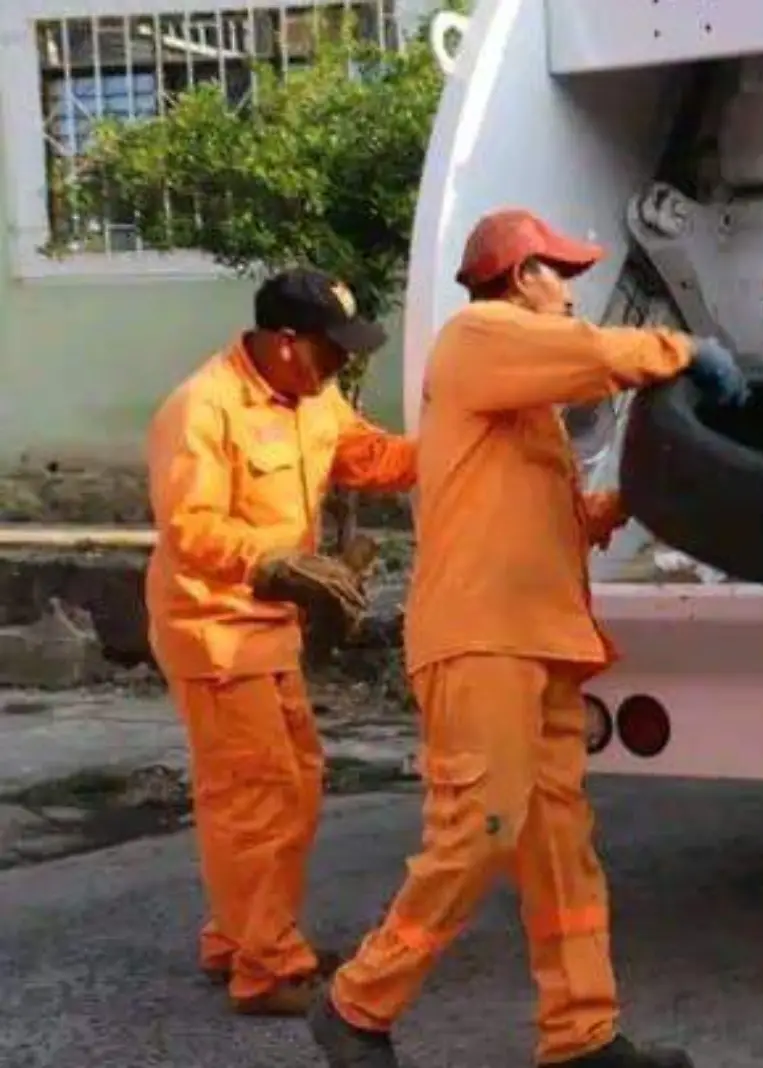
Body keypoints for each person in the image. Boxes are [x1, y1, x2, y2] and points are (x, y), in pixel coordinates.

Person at [309, 208, 747, 1068]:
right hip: (482, 640)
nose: (572, 291)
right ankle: (358, 1003)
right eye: (562, 273)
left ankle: (581, 1036)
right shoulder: (478, 336)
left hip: (536, 642)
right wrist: (682, 351)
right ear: (520, 277)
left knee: (561, 856)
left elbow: (551, 521)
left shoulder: (520, 406)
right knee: (481, 830)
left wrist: (629, 503)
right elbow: (590, 356)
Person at [145, 268, 418, 1016]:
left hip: (269, 630)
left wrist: (461, 444)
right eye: (333, 351)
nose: (343, 365)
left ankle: (243, 937)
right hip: (214, 628)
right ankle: (265, 968)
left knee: (287, 785)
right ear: (285, 341)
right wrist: (273, 563)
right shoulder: (203, 408)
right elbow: (189, 528)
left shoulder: (314, 397)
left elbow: (373, 457)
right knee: (258, 796)